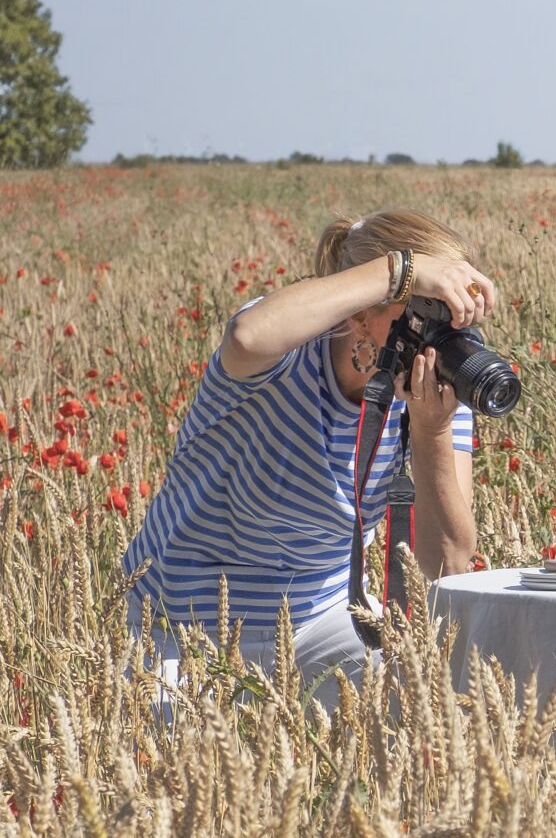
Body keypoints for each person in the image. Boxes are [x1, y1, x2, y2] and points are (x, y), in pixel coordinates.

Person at [122, 210, 497, 707]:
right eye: (431, 310)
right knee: (172, 762)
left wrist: (432, 429)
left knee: (432, 710)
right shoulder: (290, 350)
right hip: (180, 623)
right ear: (361, 313)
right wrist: (400, 269)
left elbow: (444, 560)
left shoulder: (435, 391)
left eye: (459, 313)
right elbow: (245, 337)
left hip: (321, 619)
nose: (446, 335)